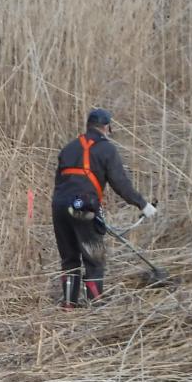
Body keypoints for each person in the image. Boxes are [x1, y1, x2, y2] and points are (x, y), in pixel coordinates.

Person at [52, 108, 156, 308]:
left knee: (69, 259)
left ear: (88, 126)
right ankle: (96, 306)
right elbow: (120, 183)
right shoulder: (107, 149)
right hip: (83, 206)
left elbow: (59, 182)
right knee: (94, 258)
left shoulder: (68, 148)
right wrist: (143, 204)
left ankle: (68, 305)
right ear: (107, 127)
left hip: (59, 206)